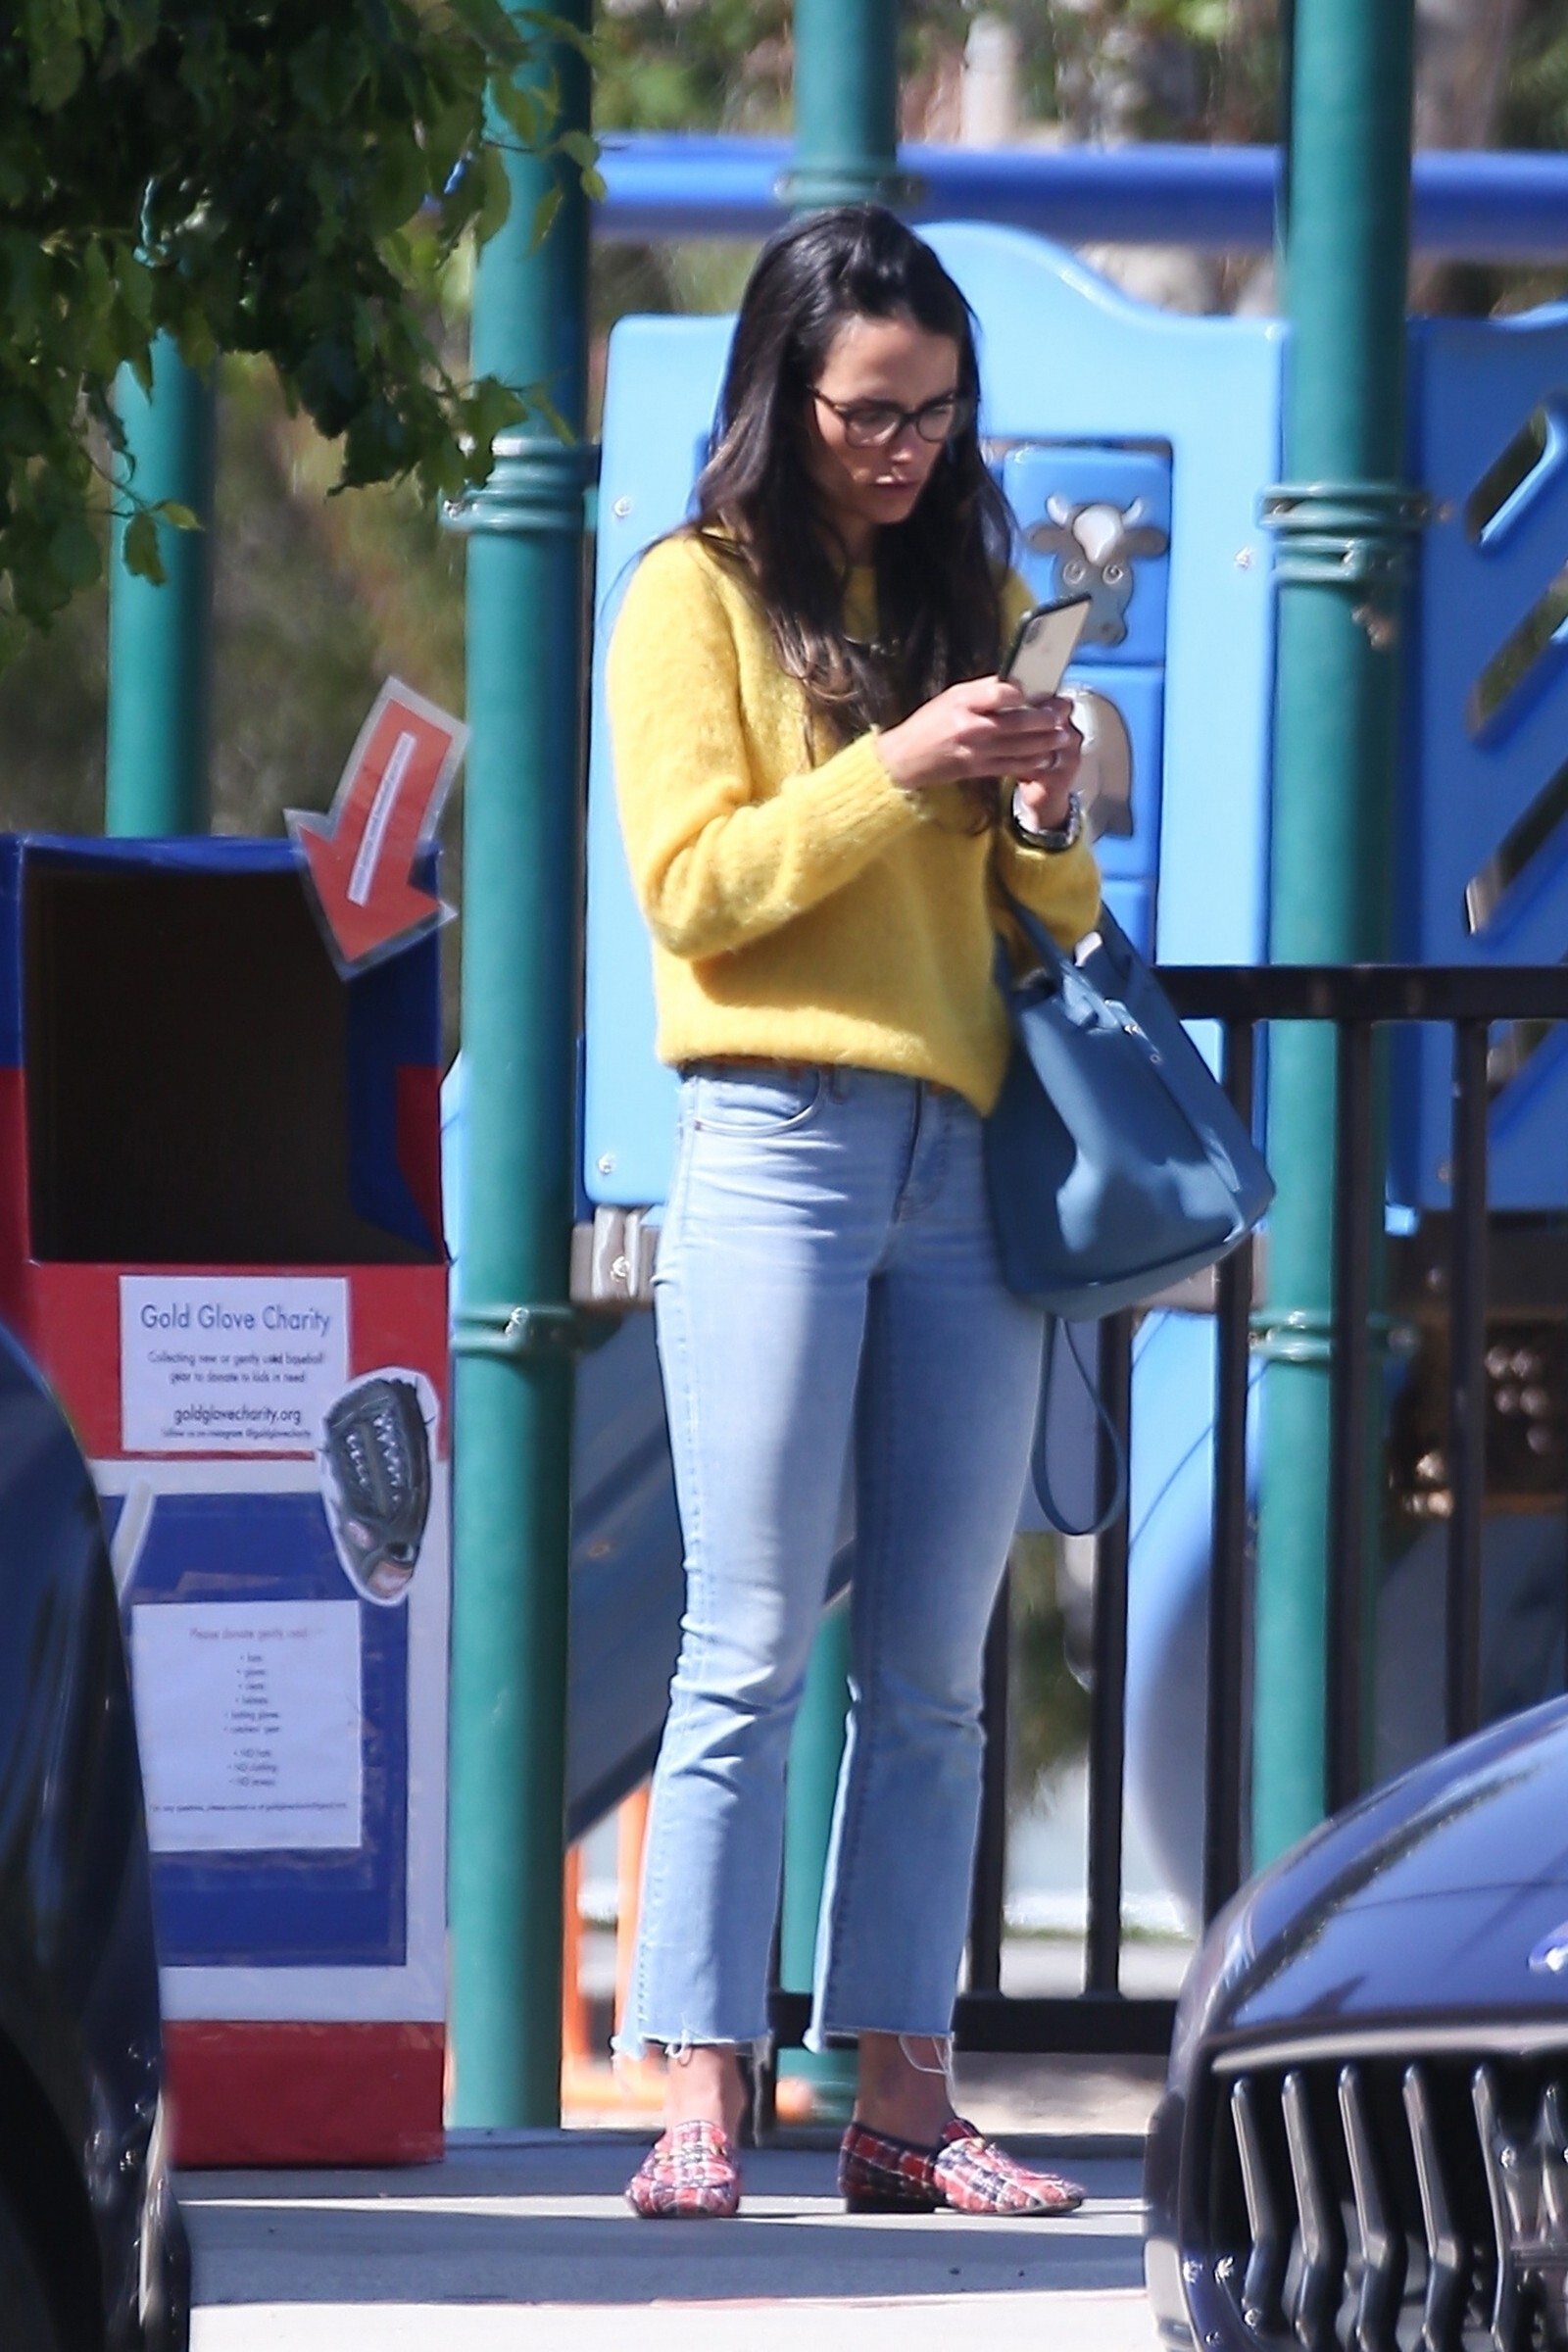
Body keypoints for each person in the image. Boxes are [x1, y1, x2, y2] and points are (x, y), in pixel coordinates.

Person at [607, 205, 1102, 2223]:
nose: (903, 448)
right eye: (867, 412)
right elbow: (694, 891)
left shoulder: (972, 587)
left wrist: (1044, 808)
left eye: (935, 412)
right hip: (775, 1141)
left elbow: (1045, 912)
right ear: (782, 393)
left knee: (934, 1664)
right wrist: (897, 764)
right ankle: (699, 2097)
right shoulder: (692, 594)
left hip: (960, 1161)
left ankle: (905, 2099)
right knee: (741, 1646)